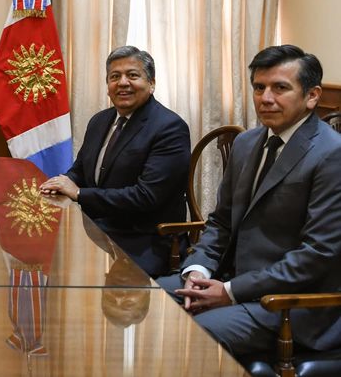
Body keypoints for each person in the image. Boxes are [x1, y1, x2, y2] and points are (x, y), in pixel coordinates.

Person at [156, 45, 341, 357]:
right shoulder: (246, 143)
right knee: (144, 299)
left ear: (312, 96)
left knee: (188, 338)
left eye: (280, 88)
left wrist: (230, 292)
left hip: (291, 305)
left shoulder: (331, 154)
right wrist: (199, 269)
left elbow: (318, 256)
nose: (266, 98)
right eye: (259, 87)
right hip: (233, 281)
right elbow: (221, 222)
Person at [39, 46, 190, 277]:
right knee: (48, 259)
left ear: (151, 83)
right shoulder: (100, 121)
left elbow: (146, 197)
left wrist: (79, 194)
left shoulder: (169, 128)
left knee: (75, 274)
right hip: (97, 230)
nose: (122, 83)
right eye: (114, 77)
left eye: (132, 75)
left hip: (144, 238)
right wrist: (61, 182)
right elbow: (80, 169)